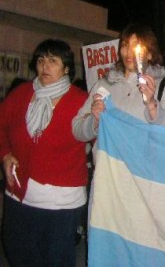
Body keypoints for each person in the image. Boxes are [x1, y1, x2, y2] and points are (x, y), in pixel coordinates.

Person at [0, 39, 88, 266]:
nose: (44, 66)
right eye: (41, 60)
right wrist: (5, 154)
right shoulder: (21, 93)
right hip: (18, 193)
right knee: (17, 251)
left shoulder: (80, 100)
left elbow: (94, 134)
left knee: (55, 259)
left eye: (52, 60)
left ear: (66, 67)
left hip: (59, 202)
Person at [73, 24, 165, 156]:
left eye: (136, 46)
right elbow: (77, 130)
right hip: (107, 172)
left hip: (144, 172)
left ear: (149, 54)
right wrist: (94, 121)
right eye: (125, 45)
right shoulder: (103, 85)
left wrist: (152, 106)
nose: (129, 52)